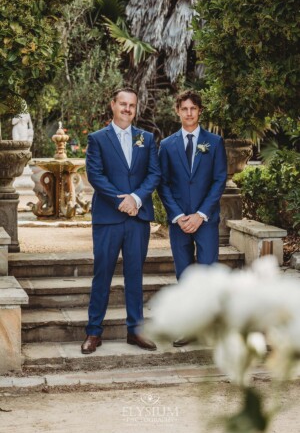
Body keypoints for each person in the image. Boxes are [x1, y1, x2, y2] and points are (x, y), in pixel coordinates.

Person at [81, 88, 161, 354]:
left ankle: (135, 331)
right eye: (123, 104)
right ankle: (94, 333)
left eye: (132, 105)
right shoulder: (97, 139)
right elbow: (95, 175)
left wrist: (136, 199)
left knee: (135, 275)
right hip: (108, 218)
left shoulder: (146, 138)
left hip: (138, 218)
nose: (127, 109)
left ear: (136, 108)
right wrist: (120, 201)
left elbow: (153, 174)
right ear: (113, 105)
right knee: (102, 275)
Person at [158, 90, 227, 346]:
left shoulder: (215, 142)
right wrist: (178, 215)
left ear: (199, 111)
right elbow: (163, 184)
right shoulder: (166, 145)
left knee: (208, 273)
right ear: (177, 111)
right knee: (184, 274)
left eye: (193, 108)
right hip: (179, 222)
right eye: (184, 108)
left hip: (206, 220)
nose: (189, 113)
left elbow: (219, 180)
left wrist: (200, 214)